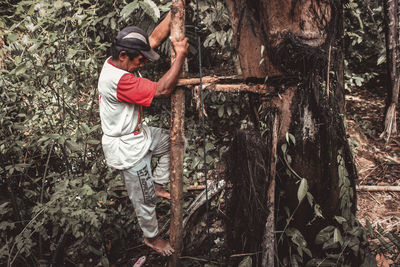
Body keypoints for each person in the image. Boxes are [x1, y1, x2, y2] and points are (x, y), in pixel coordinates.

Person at [97, 12, 189, 257]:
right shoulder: (117, 80)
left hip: (139, 134)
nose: (143, 63)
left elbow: (155, 39)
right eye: (140, 60)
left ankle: (157, 183)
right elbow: (162, 89)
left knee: (174, 140)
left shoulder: (120, 59)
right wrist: (180, 55)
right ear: (124, 55)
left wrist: (175, 13)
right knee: (145, 201)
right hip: (126, 147)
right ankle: (152, 238)